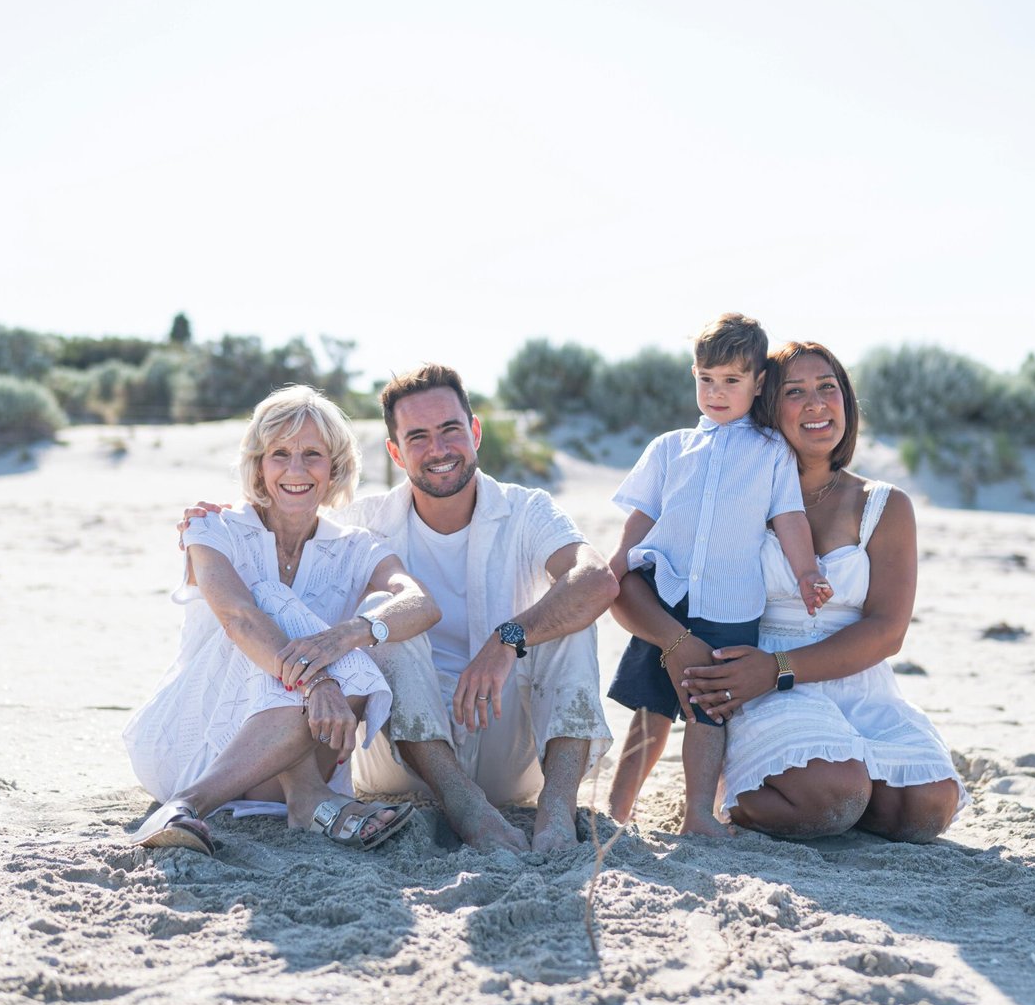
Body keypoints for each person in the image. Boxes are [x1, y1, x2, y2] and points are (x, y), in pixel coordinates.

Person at [183, 364, 618, 853]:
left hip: (505, 740)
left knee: (569, 616)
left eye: (451, 430)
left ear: (474, 432)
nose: (438, 450)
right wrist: (215, 522)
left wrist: (506, 639)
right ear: (395, 451)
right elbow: (286, 523)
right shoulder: (362, 524)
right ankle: (466, 809)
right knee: (381, 613)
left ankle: (557, 815)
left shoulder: (527, 510)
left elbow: (597, 579)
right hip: (400, 756)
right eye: (418, 437)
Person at [617, 341, 968, 842]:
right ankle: (754, 785)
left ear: (846, 400)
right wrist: (681, 646)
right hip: (754, 677)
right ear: (766, 404)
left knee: (926, 808)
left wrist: (780, 671)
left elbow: (887, 631)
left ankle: (839, 788)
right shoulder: (727, 490)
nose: (816, 404)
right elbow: (636, 577)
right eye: (795, 392)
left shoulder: (884, 504)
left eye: (828, 388)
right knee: (832, 792)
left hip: (854, 677)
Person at [125, 385, 441, 855]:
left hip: (286, 752)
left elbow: (420, 602)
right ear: (258, 464)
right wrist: (318, 683)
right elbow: (239, 617)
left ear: (334, 466)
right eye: (279, 454)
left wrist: (352, 633)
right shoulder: (213, 528)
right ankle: (196, 803)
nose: (295, 470)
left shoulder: (357, 546)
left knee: (358, 650)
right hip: (193, 746)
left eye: (312, 454)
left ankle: (298, 798)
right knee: (272, 600)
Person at [604, 313, 830, 837]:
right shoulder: (669, 448)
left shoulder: (772, 452)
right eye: (706, 379)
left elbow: (789, 518)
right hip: (667, 594)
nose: (717, 392)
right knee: (650, 709)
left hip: (730, 605)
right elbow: (643, 514)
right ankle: (615, 811)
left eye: (731, 381)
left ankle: (698, 814)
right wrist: (619, 558)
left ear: (757, 384)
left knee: (711, 712)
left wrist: (806, 571)